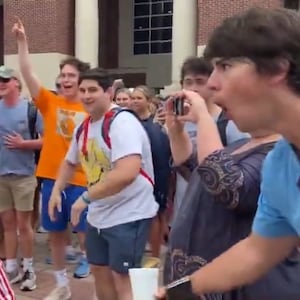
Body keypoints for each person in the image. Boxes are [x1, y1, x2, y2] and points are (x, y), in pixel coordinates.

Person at [156, 7, 300, 299]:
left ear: (277, 68)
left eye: (225, 66)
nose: (211, 83)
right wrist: (177, 292)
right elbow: (257, 251)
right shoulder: (281, 163)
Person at [49, 68, 158, 300]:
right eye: (83, 90)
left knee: (123, 279)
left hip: (129, 214)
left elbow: (126, 173)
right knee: (99, 272)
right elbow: (69, 162)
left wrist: (84, 199)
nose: (86, 95)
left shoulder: (122, 122)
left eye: (93, 90)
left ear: (109, 92)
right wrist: (57, 189)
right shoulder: (84, 126)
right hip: (99, 215)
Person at [12, 18, 90, 299]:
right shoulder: (50, 102)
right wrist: (22, 41)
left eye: (71, 75)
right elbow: (27, 72)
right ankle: (61, 284)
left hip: (83, 180)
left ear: (81, 80)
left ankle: (90, 265)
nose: (65, 80)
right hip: (50, 179)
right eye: (63, 76)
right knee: (56, 235)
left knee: (85, 234)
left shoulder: (90, 104)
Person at [0, 66, 43, 291]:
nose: (1, 83)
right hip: (1, 177)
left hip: (24, 176)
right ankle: (9, 267)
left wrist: (23, 144)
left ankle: (28, 268)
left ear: (16, 82)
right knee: (7, 224)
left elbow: (47, 141)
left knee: (24, 225)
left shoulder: (31, 109)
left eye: (5, 80)